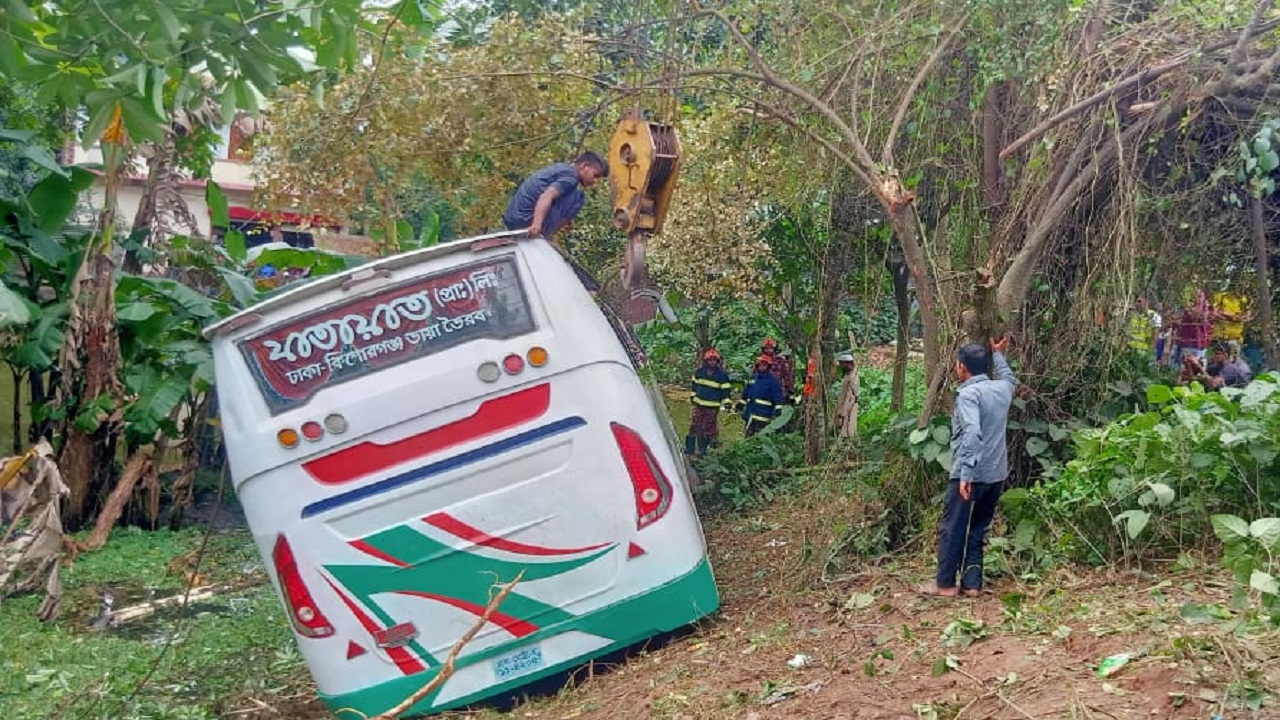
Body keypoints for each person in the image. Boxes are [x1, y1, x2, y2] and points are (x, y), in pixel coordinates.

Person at [918, 336, 1018, 599]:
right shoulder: (1002, 389)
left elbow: (972, 433)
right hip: (996, 473)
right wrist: (998, 354)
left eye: (956, 365)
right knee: (977, 528)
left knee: (953, 528)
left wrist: (966, 474)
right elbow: (1010, 378)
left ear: (962, 366)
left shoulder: (968, 394)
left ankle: (946, 585)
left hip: (969, 473)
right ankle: (972, 584)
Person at [503, 152, 608, 242]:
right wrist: (536, 225)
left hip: (513, 218)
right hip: (525, 221)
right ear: (585, 166)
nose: (595, 181)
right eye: (596, 175)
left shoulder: (561, 168)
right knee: (578, 198)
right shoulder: (571, 177)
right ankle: (547, 236)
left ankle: (547, 235)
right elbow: (546, 196)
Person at [685, 348, 733, 458]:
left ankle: (703, 450)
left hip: (712, 407)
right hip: (699, 405)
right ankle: (689, 448)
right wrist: (693, 397)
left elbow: (725, 392)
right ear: (706, 361)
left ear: (717, 361)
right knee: (694, 426)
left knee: (708, 428)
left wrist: (727, 404)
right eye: (710, 360)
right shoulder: (699, 373)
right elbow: (694, 387)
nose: (712, 362)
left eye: (714, 360)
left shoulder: (722, 376)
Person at [741, 355, 785, 437]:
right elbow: (746, 392)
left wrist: (778, 409)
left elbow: (777, 396)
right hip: (750, 413)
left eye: (764, 365)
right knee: (748, 438)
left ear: (768, 367)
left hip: (763, 415)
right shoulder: (753, 378)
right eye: (760, 365)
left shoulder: (773, 381)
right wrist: (741, 404)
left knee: (761, 438)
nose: (762, 367)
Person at [1210, 289, 1249, 360]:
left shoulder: (1243, 299)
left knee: (1234, 362)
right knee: (1217, 362)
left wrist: (1225, 314)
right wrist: (1233, 317)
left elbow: (1246, 316)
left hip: (1236, 338)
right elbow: (1214, 313)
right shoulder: (1221, 296)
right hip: (1220, 337)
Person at [833, 351, 859, 439]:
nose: (841, 366)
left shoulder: (852, 377)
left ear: (847, 364)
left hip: (849, 407)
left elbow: (852, 396)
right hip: (845, 406)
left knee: (849, 429)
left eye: (842, 363)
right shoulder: (848, 376)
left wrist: (843, 412)